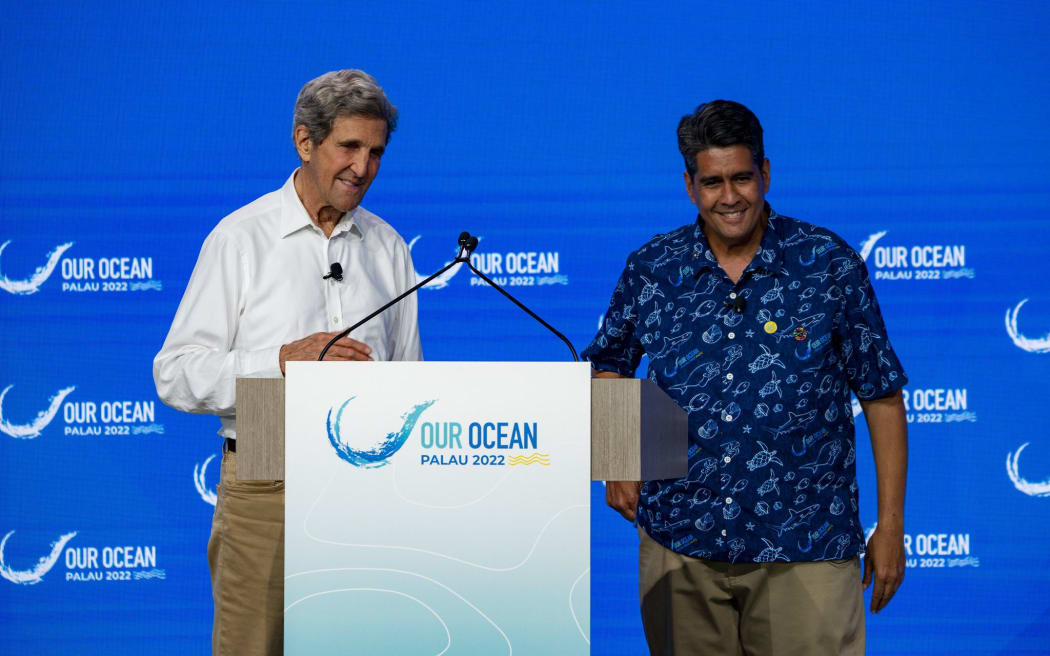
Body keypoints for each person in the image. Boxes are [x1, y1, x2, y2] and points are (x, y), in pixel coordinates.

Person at [582, 100, 908, 655]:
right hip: (680, 548)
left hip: (807, 547)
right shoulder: (653, 268)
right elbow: (609, 362)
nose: (729, 197)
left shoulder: (827, 263)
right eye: (712, 182)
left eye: (741, 178)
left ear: (766, 174)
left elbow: (880, 394)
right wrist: (615, 456)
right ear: (690, 185)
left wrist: (891, 526)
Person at [153, 69, 422, 656]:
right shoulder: (241, 239)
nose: (363, 167)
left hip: (367, 490)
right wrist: (280, 360)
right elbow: (175, 372)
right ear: (306, 143)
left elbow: (408, 381)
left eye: (376, 152)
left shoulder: (389, 249)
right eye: (349, 147)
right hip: (266, 478)